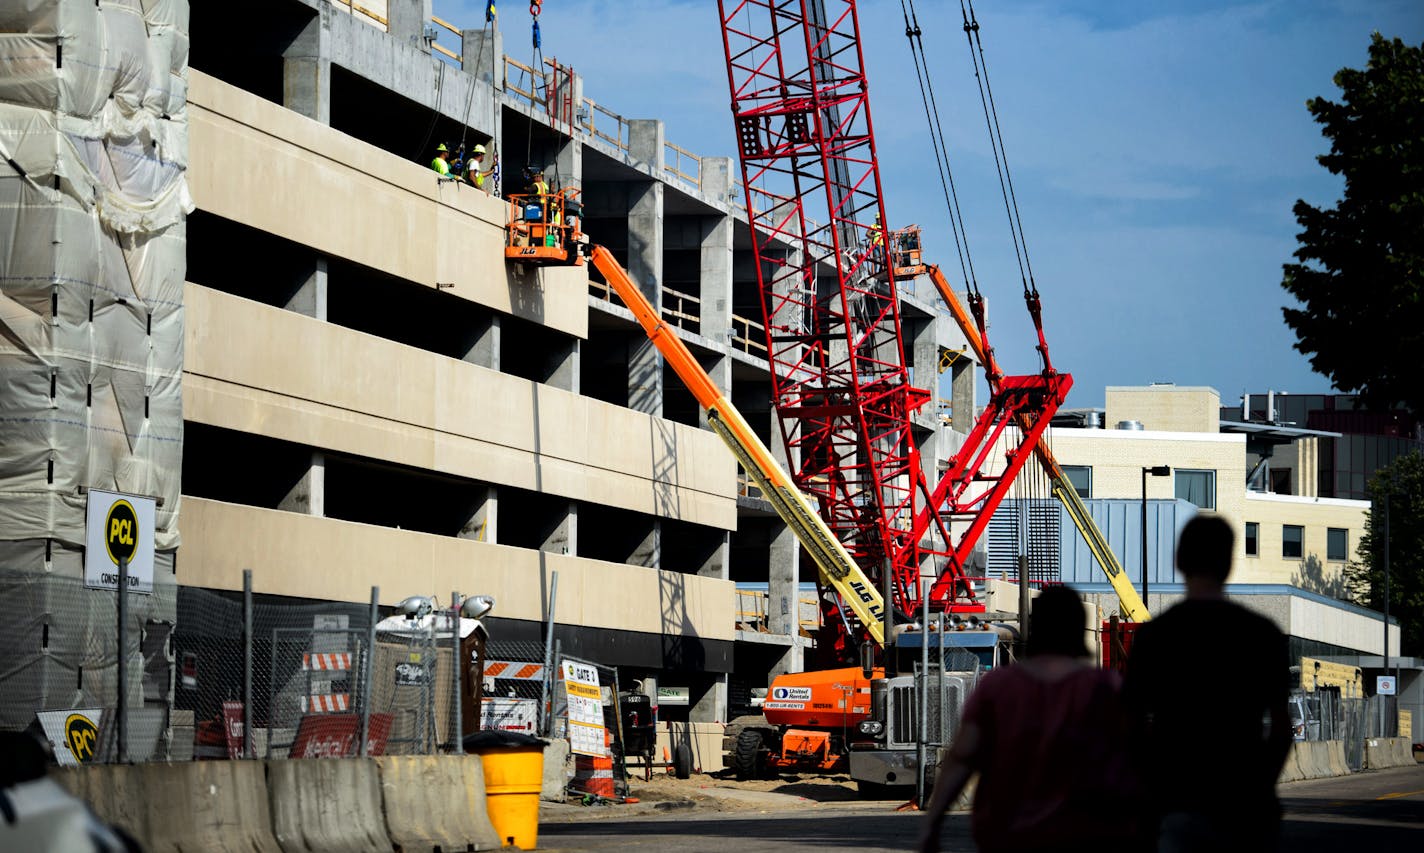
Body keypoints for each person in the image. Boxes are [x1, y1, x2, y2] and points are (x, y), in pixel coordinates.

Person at [918, 586, 1143, 853]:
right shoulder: (1107, 689)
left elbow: (962, 758)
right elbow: (1137, 762)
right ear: (1079, 629)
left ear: (1037, 628)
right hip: (1088, 833)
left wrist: (933, 824)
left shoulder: (997, 687)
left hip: (1008, 834)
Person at [1123, 515, 1292, 852]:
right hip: (1244, 803)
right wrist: (1261, 785)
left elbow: (1130, 727)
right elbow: (1281, 728)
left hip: (1175, 802)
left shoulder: (1155, 637)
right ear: (1228, 563)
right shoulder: (1262, 634)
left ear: (1179, 561)